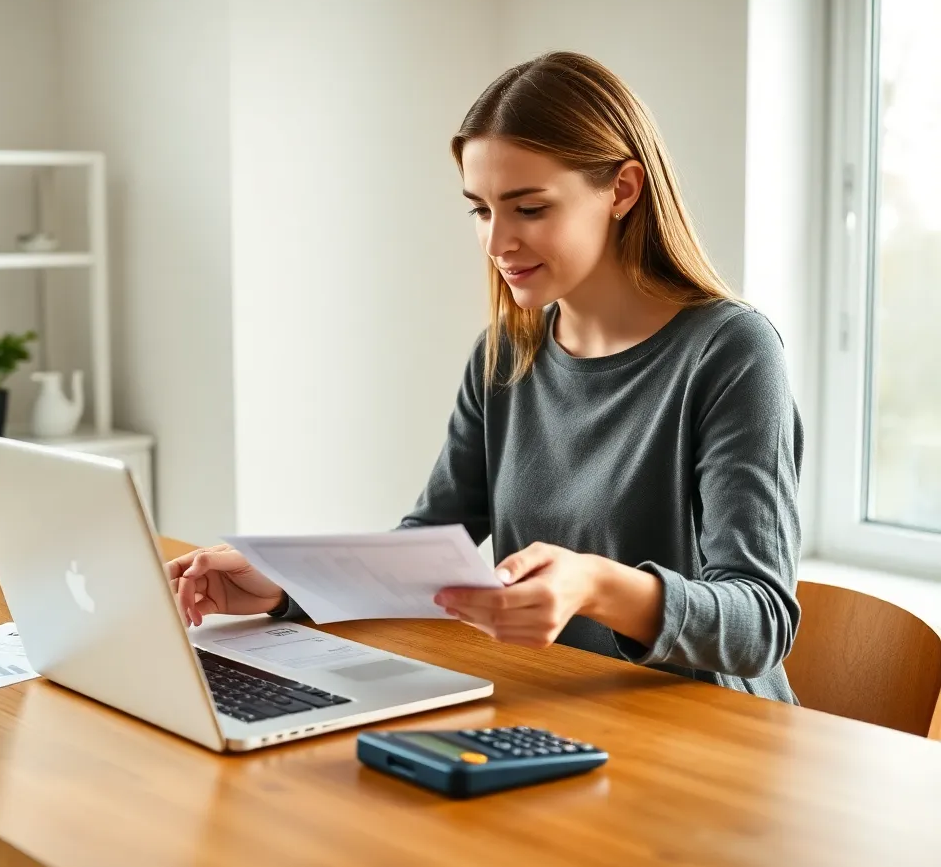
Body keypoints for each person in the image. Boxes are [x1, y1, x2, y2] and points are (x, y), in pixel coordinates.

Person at [166, 51, 803, 704]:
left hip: (705, 728)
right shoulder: (504, 357)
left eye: (529, 208)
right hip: (558, 710)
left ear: (622, 190)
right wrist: (285, 582)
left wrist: (595, 586)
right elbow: (427, 550)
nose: (497, 243)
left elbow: (760, 621)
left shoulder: (731, 352)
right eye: (480, 210)